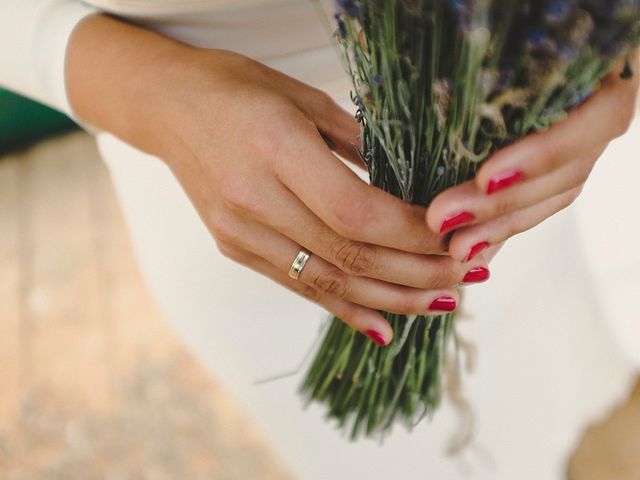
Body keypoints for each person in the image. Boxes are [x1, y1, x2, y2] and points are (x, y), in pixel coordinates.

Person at [2, 1, 639, 478]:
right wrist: (146, 92)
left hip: (505, 158)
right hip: (244, 204)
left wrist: (615, 70)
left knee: (551, 399)